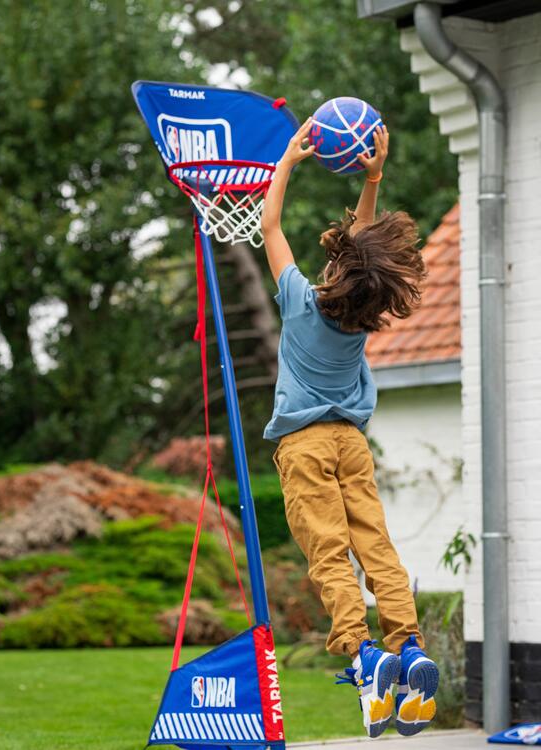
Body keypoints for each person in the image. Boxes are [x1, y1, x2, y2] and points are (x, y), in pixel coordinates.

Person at [260, 117, 439, 739]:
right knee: (376, 545)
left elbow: (270, 226)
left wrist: (287, 159)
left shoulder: (301, 304)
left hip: (305, 445)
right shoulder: (362, 319)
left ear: (337, 272)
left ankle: (365, 656)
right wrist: (373, 177)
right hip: (353, 444)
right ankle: (409, 645)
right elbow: (360, 247)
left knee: (329, 553)